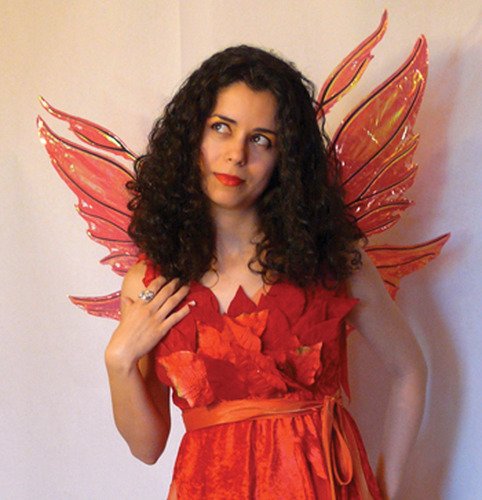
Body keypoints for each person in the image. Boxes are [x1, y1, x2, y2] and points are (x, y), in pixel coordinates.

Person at [104, 45, 427, 499]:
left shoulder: (334, 260)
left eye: (261, 140)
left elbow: (409, 369)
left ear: (285, 158)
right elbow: (147, 447)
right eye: (221, 128)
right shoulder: (150, 285)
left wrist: (382, 490)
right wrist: (118, 362)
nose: (236, 154)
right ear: (192, 136)